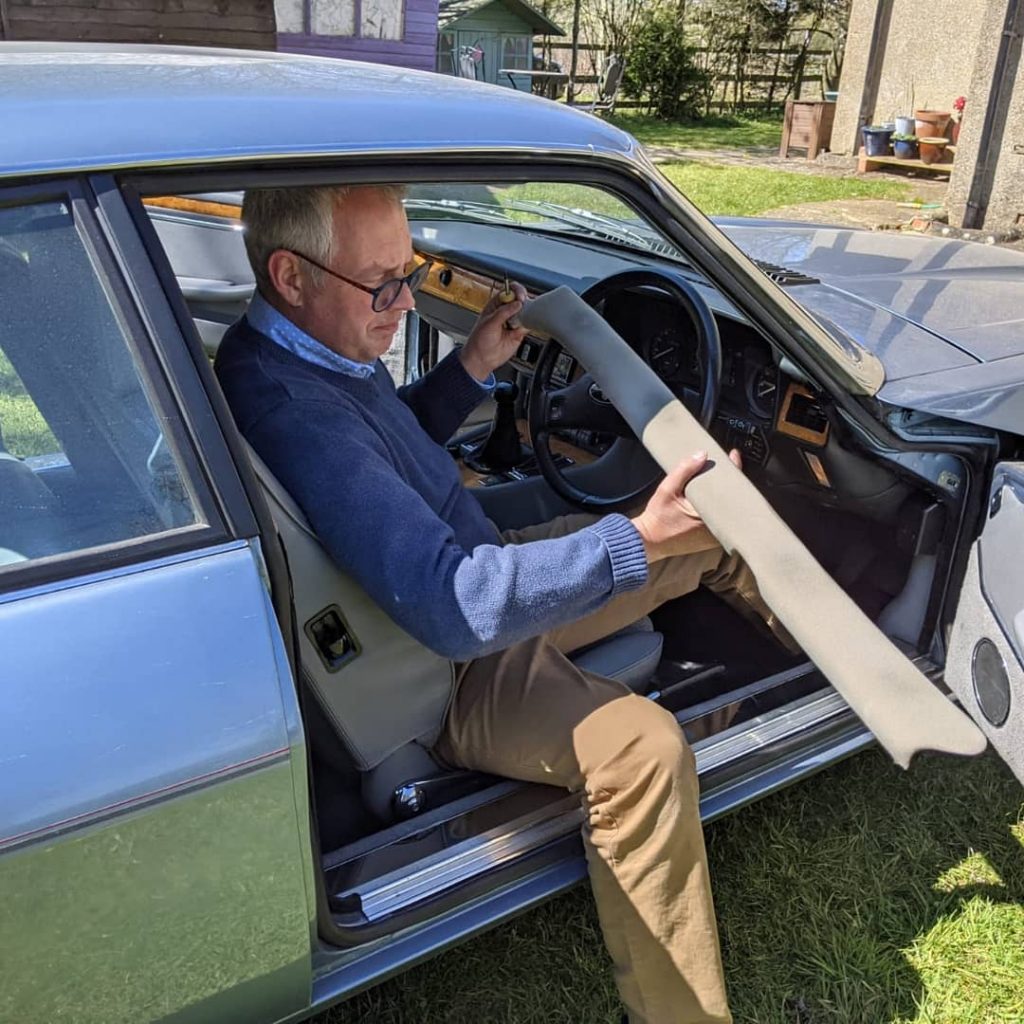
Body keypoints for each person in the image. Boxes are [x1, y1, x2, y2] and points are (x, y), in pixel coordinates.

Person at [216, 184, 785, 1024]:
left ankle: (823, 663)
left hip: (452, 587)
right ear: (289, 276)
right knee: (643, 749)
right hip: (444, 662)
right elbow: (458, 607)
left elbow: (382, 459)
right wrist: (639, 540)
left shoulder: (291, 355)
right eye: (383, 285)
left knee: (703, 535)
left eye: (407, 272)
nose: (404, 300)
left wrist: (472, 367)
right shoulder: (298, 412)